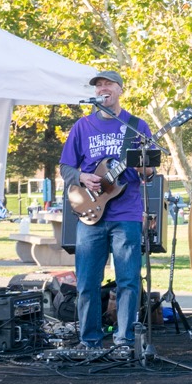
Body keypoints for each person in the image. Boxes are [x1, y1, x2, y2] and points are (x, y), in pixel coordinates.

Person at [59, 71, 153, 350]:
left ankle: (124, 340)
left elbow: (149, 173)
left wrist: (144, 168)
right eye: (98, 85)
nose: (102, 88)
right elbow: (66, 167)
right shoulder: (82, 126)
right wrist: (82, 178)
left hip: (126, 214)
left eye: (107, 84)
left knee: (128, 281)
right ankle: (89, 341)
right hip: (91, 216)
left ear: (120, 90)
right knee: (87, 282)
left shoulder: (137, 127)